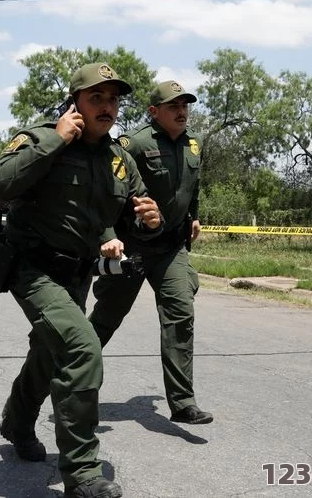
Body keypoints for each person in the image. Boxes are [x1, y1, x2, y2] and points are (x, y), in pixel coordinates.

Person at [0, 62, 163, 498]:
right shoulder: (40, 137)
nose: (108, 107)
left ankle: (17, 422)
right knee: (81, 348)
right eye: (97, 98)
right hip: (32, 268)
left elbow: (133, 220)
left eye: (114, 99)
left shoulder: (119, 160)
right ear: (76, 102)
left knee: (50, 352)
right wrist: (56, 139)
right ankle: (82, 473)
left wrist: (150, 222)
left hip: (77, 273)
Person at [89, 80, 213, 425]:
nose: (182, 111)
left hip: (171, 248)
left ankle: (183, 401)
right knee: (105, 320)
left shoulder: (193, 145)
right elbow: (108, 191)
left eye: (186, 105)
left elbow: (193, 185)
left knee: (180, 315)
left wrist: (194, 216)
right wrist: (110, 236)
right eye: (174, 106)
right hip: (132, 248)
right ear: (154, 112)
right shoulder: (135, 143)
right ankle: (71, 384)